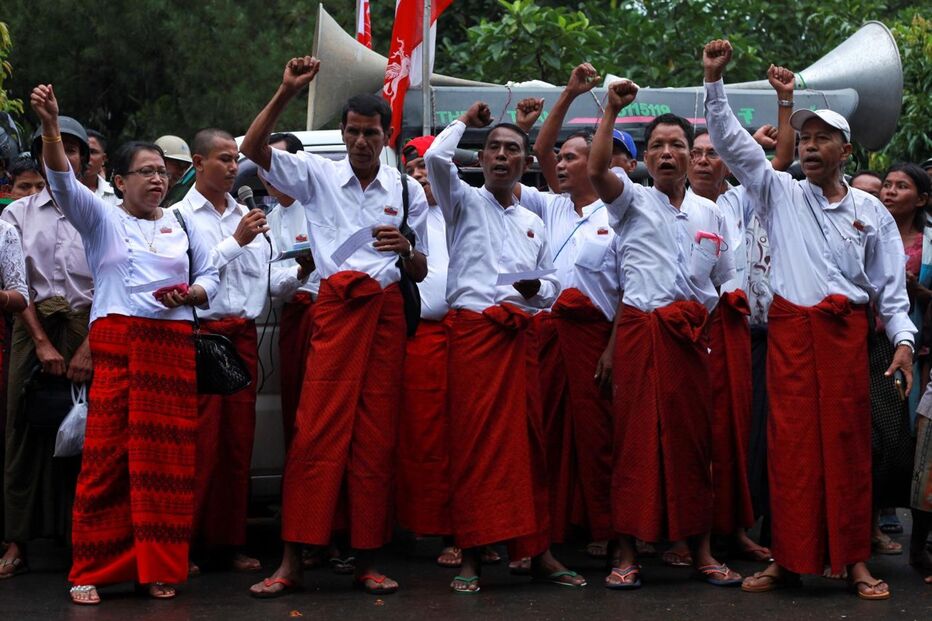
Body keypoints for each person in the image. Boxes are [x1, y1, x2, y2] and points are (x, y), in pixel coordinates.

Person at [703, 39, 915, 600]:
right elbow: (730, 142)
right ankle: (787, 561)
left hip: (845, 342)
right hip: (792, 341)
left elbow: (891, 289)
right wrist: (714, 82)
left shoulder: (871, 210)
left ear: (846, 150)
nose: (812, 146)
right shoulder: (778, 192)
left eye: (823, 138)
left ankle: (854, 562)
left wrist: (903, 340)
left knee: (848, 451)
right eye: (806, 139)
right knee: (791, 451)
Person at [240, 56, 428, 598]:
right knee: (315, 433)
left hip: (384, 316)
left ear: (387, 137)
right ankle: (292, 561)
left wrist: (406, 248)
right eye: (353, 132)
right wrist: (286, 90)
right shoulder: (317, 176)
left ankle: (367, 560)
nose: (361, 142)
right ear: (342, 133)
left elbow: (419, 271)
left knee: (373, 439)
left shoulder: (406, 190)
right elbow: (253, 149)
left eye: (371, 133)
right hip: (335, 312)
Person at [30, 83, 220, 605]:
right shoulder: (101, 217)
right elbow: (61, 180)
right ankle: (91, 569)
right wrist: (50, 125)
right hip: (119, 347)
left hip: (172, 351)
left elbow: (210, 275)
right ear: (119, 180)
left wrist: (193, 292)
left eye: (162, 172)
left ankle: (157, 568)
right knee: (107, 459)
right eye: (146, 171)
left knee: (165, 464)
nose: (158, 179)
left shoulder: (182, 223)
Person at [425, 101, 588, 593]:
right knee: (475, 446)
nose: (501, 156)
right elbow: (435, 159)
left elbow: (551, 284)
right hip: (474, 336)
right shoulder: (461, 201)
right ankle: (473, 556)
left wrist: (535, 292)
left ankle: (538, 552)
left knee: (530, 447)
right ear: (480, 160)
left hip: (519, 339)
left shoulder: (533, 221)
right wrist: (463, 122)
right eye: (493, 148)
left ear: (526, 162)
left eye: (511, 149)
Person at [588, 80, 740, 590]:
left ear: (691, 154)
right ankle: (627, 553)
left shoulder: (711, 212)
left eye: (677, 144)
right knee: (633, 441)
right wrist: (611, 110)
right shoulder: (629, 200)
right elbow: (596, 170)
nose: (668, 153)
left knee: (694, 444)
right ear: (645, 159)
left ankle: (700, 551)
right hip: (640, 330)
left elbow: (724, 277)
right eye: (657, 146)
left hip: (690, 338)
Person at [176, 128, 310, 577]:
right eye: (224, 159)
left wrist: (300, 273)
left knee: (238, 443)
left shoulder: (249, 214)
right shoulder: (179, 217)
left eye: (236, 159)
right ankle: (184, 544)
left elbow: (268, 283)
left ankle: (230, 541)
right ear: (198, 163)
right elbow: (190, 276)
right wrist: (235, 241)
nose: (234, 168)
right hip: (203, 336)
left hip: (243, 335)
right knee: (199, 443)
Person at [514, 64, 623, 564]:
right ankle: (552, 527)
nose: (559, 163)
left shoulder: (619, 212)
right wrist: (570, 93)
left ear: (596, 163)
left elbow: (629, 291)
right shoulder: (551, 206)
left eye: (572, 157)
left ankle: (605, 526)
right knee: (548, 432)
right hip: (550, 335)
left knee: (598, 437)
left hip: (595, 337)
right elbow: (539, 148)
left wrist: (612, 348)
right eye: (559, 158)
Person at [686, 66, 794, 565]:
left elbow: (780, 162)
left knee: (739, 436)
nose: (703, 160)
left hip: (741, 334)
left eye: (714, 153)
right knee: (693, 434)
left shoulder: (740, 200)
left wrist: (785, 101)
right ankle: (687, 534)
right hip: (685, 333)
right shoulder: (666, 205)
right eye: (697, 153)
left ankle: (734, 528)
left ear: (728, 163)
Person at [1, 118, 95, 581]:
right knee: (23, 430)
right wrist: (40, 341)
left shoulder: (102, 212)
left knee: (88, 434)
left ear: (84, 159)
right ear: (41, 157)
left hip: (88, 327)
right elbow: (16, 283)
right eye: (55, 148)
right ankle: (16, 540)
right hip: (31, 325)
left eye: (74, 149)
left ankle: (83, 543)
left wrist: (89, 347)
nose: (65, 156)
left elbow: (115, 283)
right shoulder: (16, 214)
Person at [878, 163, 932, 582]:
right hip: (872, 342)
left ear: (922, 199)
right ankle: (876, 512)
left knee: (916, 434)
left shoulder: (929, 242)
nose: (890, 192)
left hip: (920, 345)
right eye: (887, 184)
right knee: (879, 431)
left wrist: (918, 291)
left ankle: (917, 536)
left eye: (902, 186)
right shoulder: (868, 229)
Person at [82, 130, 118, 205]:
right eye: (82, 151)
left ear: (103, 159)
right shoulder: (58, 188)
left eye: (92, 152)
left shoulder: (115, 195)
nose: (86, 157)